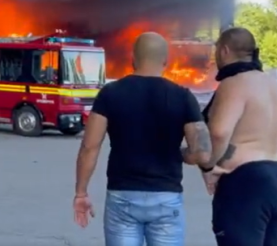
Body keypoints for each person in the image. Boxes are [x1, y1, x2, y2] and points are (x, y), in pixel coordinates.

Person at [72, 31, 210, 245]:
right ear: (166, 61)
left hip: (122, 195)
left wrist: (81, 192)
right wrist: (184, 155)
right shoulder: (183, 96)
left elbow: (90, 146)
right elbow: (202, 152)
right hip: (166, 196)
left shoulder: (110, 93)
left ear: (133, 59)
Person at [200, 27, 277, 246]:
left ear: (224, 51)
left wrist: (210, 166)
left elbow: (219, 132)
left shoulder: (233, 84)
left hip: (245, 183)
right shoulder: (276, 87)